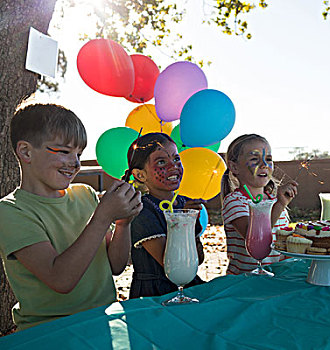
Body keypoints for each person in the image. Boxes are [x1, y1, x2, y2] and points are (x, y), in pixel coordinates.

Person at [0, 103, 142, 331]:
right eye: (64, 152)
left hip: (104, 322)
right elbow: (60, 280)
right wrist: (103, 216)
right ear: (26, 152)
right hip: (50, 332)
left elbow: (116, 266)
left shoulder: (85, 195)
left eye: (79, 154)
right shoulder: (11, 211)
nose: (75, 163)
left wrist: (123, 223)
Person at [126, 132, 205, 299]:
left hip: (187, 286)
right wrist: (186, 223)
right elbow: (173, 266)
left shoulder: (185, 203)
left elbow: (197, 259)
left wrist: (193, 223)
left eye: (176, 159)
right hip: (156, 294)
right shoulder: (142, 211)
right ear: (140, 175)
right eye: (161, 162)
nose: (173, 166)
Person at [220, 134, 298, 275]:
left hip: (275, 280)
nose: (264, 165)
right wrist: (279, 205)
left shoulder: (275, 200)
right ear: (234, 167)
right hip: (245, 282)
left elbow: (282, 244)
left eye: (268, 159)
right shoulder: (234, 201)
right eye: (255, 159)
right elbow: (255, 238)